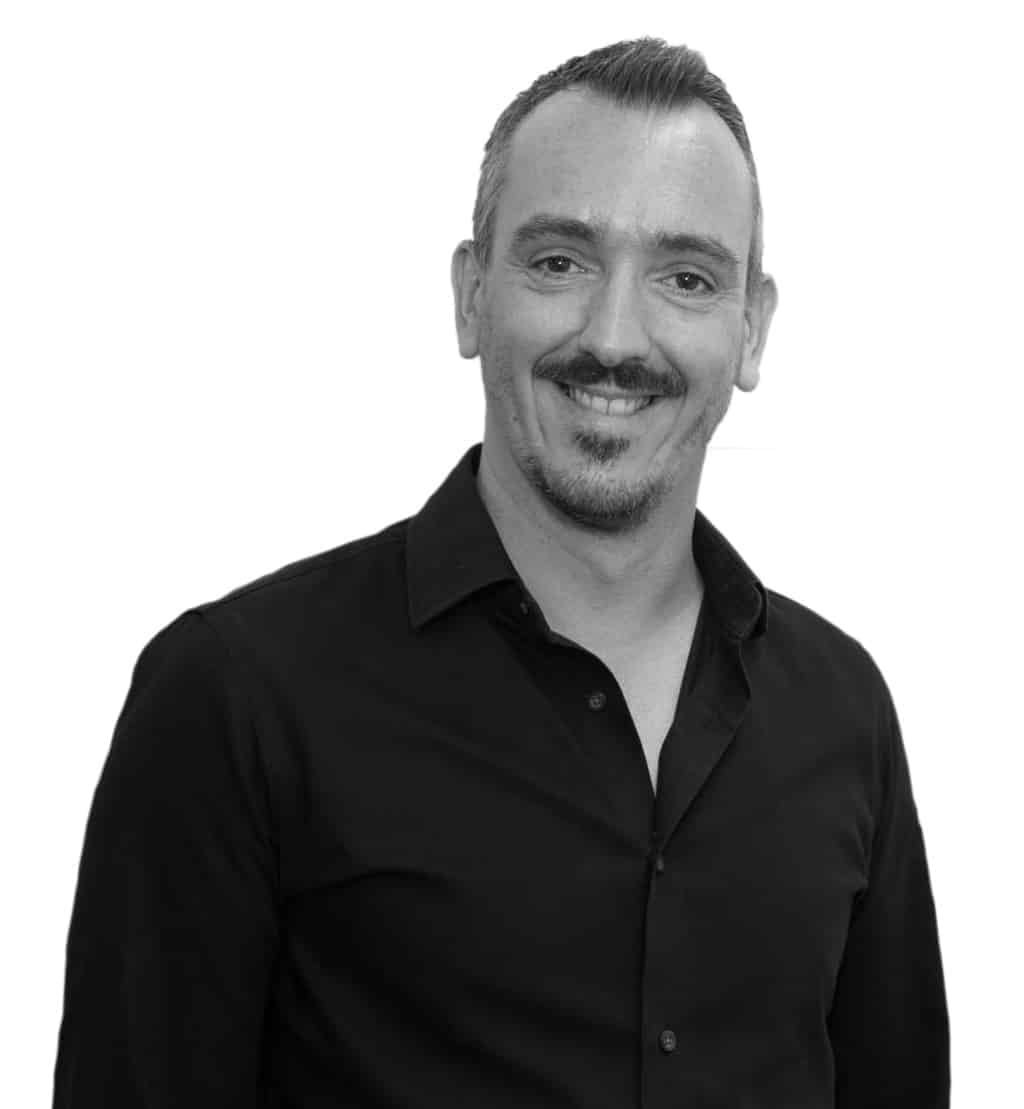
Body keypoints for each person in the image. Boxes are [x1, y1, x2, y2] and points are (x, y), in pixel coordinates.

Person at [53, 37, 949, 1108]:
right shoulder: (236, 696)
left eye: (686, 275)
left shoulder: (840, 709)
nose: (614, 336)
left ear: (750, 330)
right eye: (560, 261)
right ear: (472, 295)